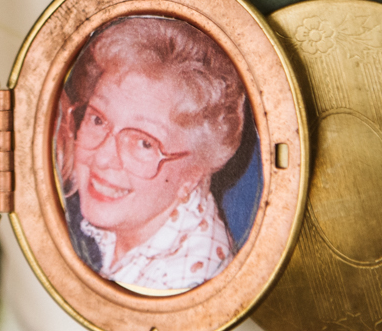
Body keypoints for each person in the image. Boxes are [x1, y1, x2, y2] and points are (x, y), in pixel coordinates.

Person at [56, 16, 248, 292]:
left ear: (193, 174)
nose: (102, 158)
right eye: (98, 120)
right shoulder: (128, 221)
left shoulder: (186, 281)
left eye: (144, 143)